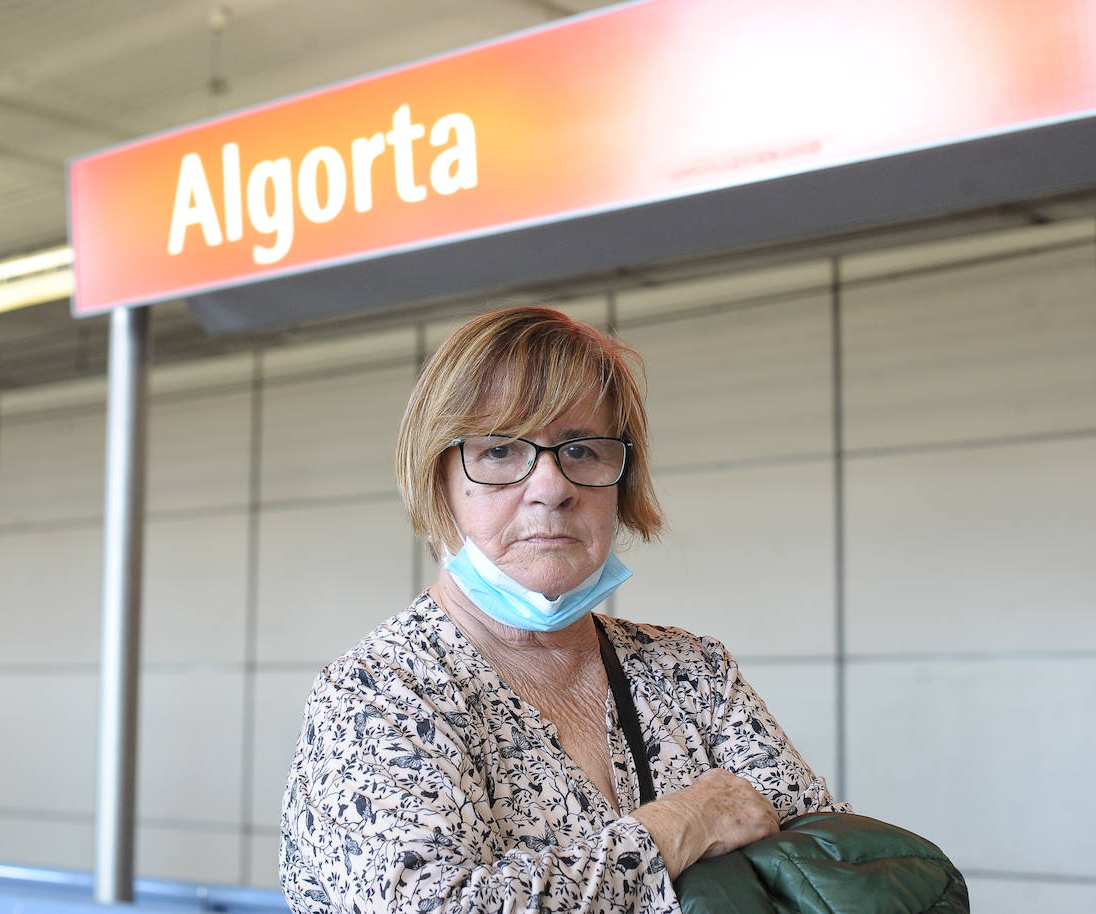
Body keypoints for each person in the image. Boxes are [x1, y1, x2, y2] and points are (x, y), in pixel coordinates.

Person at [281, 306, 848, 913]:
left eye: (581, 449)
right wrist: (672, 830)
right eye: (499, 450)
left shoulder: (692, 671)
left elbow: (826, 861)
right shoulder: (380, 694)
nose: (552, 487)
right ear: (435, 479)